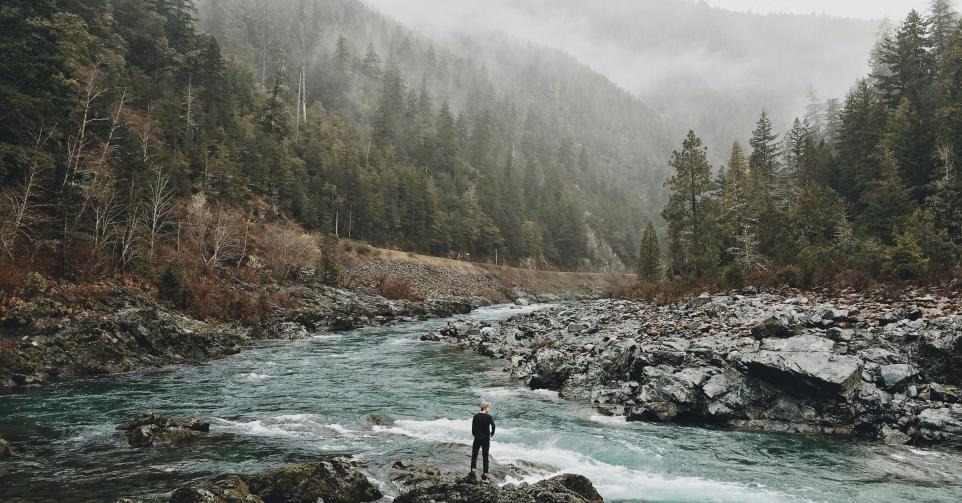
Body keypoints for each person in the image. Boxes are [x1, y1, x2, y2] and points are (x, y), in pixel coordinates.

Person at [470, 402, 496, 479]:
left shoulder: (475, 416)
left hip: (477, 438)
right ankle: (485, 472)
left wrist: (475, 435)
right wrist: (492, 433)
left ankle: (473, 469)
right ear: (485, 408)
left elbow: (473, 428)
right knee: (485, 455)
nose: (489, 409)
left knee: (474, 454)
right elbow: (493, 425)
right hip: (486, 439)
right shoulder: (489, 417)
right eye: (489, 407)